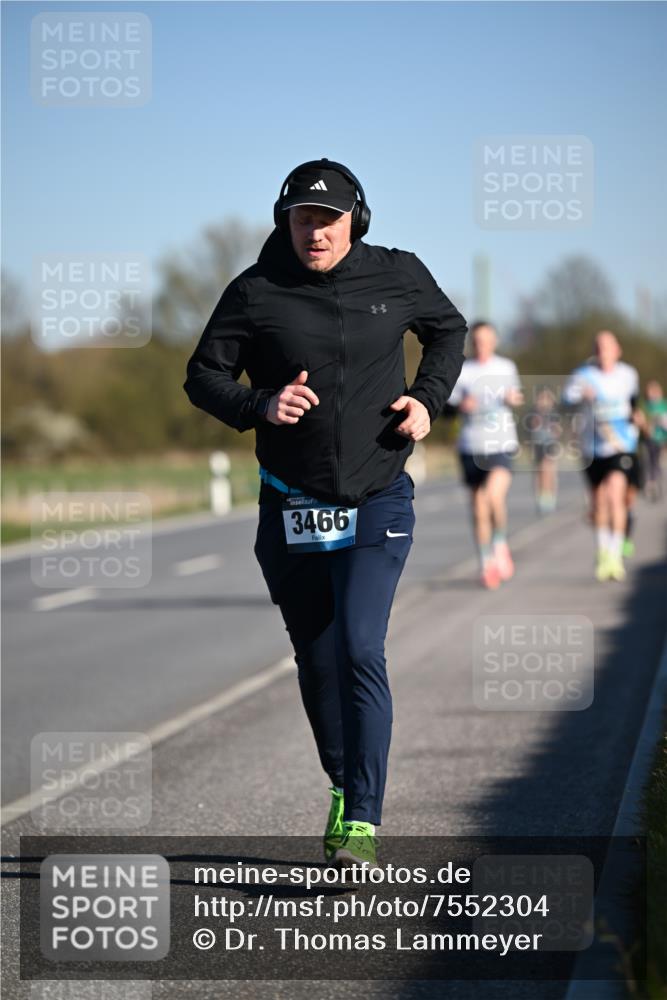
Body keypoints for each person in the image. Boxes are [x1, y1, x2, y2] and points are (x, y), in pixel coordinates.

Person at [184, 158, 466, 867]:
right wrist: (259, 404)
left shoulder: (397, 274)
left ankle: (363, 821)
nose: (316, 232)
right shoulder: (254, 291)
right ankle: (342, 785)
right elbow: (202, 376)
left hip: (377, 498)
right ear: (286, 221)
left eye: (329, 219)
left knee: (358, 648)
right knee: (315, 658)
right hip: (289, 502)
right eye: (304, 218)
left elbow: (448, 330)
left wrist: (427, 400)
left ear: (355, 221)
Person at [447, 321, 523, 589]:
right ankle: (486, 562)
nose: (482, 345)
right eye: (477, 340)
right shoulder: (464, 371)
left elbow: (516, 396)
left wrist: (514, 399)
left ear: (495, 341)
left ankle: (500, 543)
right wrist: (460, 405)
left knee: (493, 496)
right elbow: (449, 404)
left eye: (486, 339)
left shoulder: (506, 367)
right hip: (471, 445)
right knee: (478, 508)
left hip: (500, 443)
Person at [562, 331, 640, 582]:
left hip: (620, 445)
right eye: (598, 346)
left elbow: (633, 404)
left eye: (607, 346)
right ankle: (603, 551)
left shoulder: (628, 375)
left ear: (618, 350)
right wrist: (581, 397)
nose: (603, 350)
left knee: (614, 493)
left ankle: (615, 555)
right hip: (592, 447)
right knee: (598, 502)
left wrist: (637, 418)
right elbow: (565, 403)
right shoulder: (582, 376)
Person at [526, 386, 561, 514]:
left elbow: (557, 430)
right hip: (538, 444)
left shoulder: (554, 413)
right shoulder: (533, 412)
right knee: (539, 470)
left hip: (550, 443)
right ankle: (541, 495)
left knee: (548, 468)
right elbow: (530, 429)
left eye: (547, 398)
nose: (544, 401)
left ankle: (549, 496)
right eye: (542, 398)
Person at [641, 379, 667, 501]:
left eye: (655, 391)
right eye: (651, 391)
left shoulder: (664, 405)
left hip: (661, 438)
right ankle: (649, 481)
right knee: (648, 460)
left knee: (656, 460)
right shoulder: (645, 406)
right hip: (648, 438)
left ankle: (655, 479)